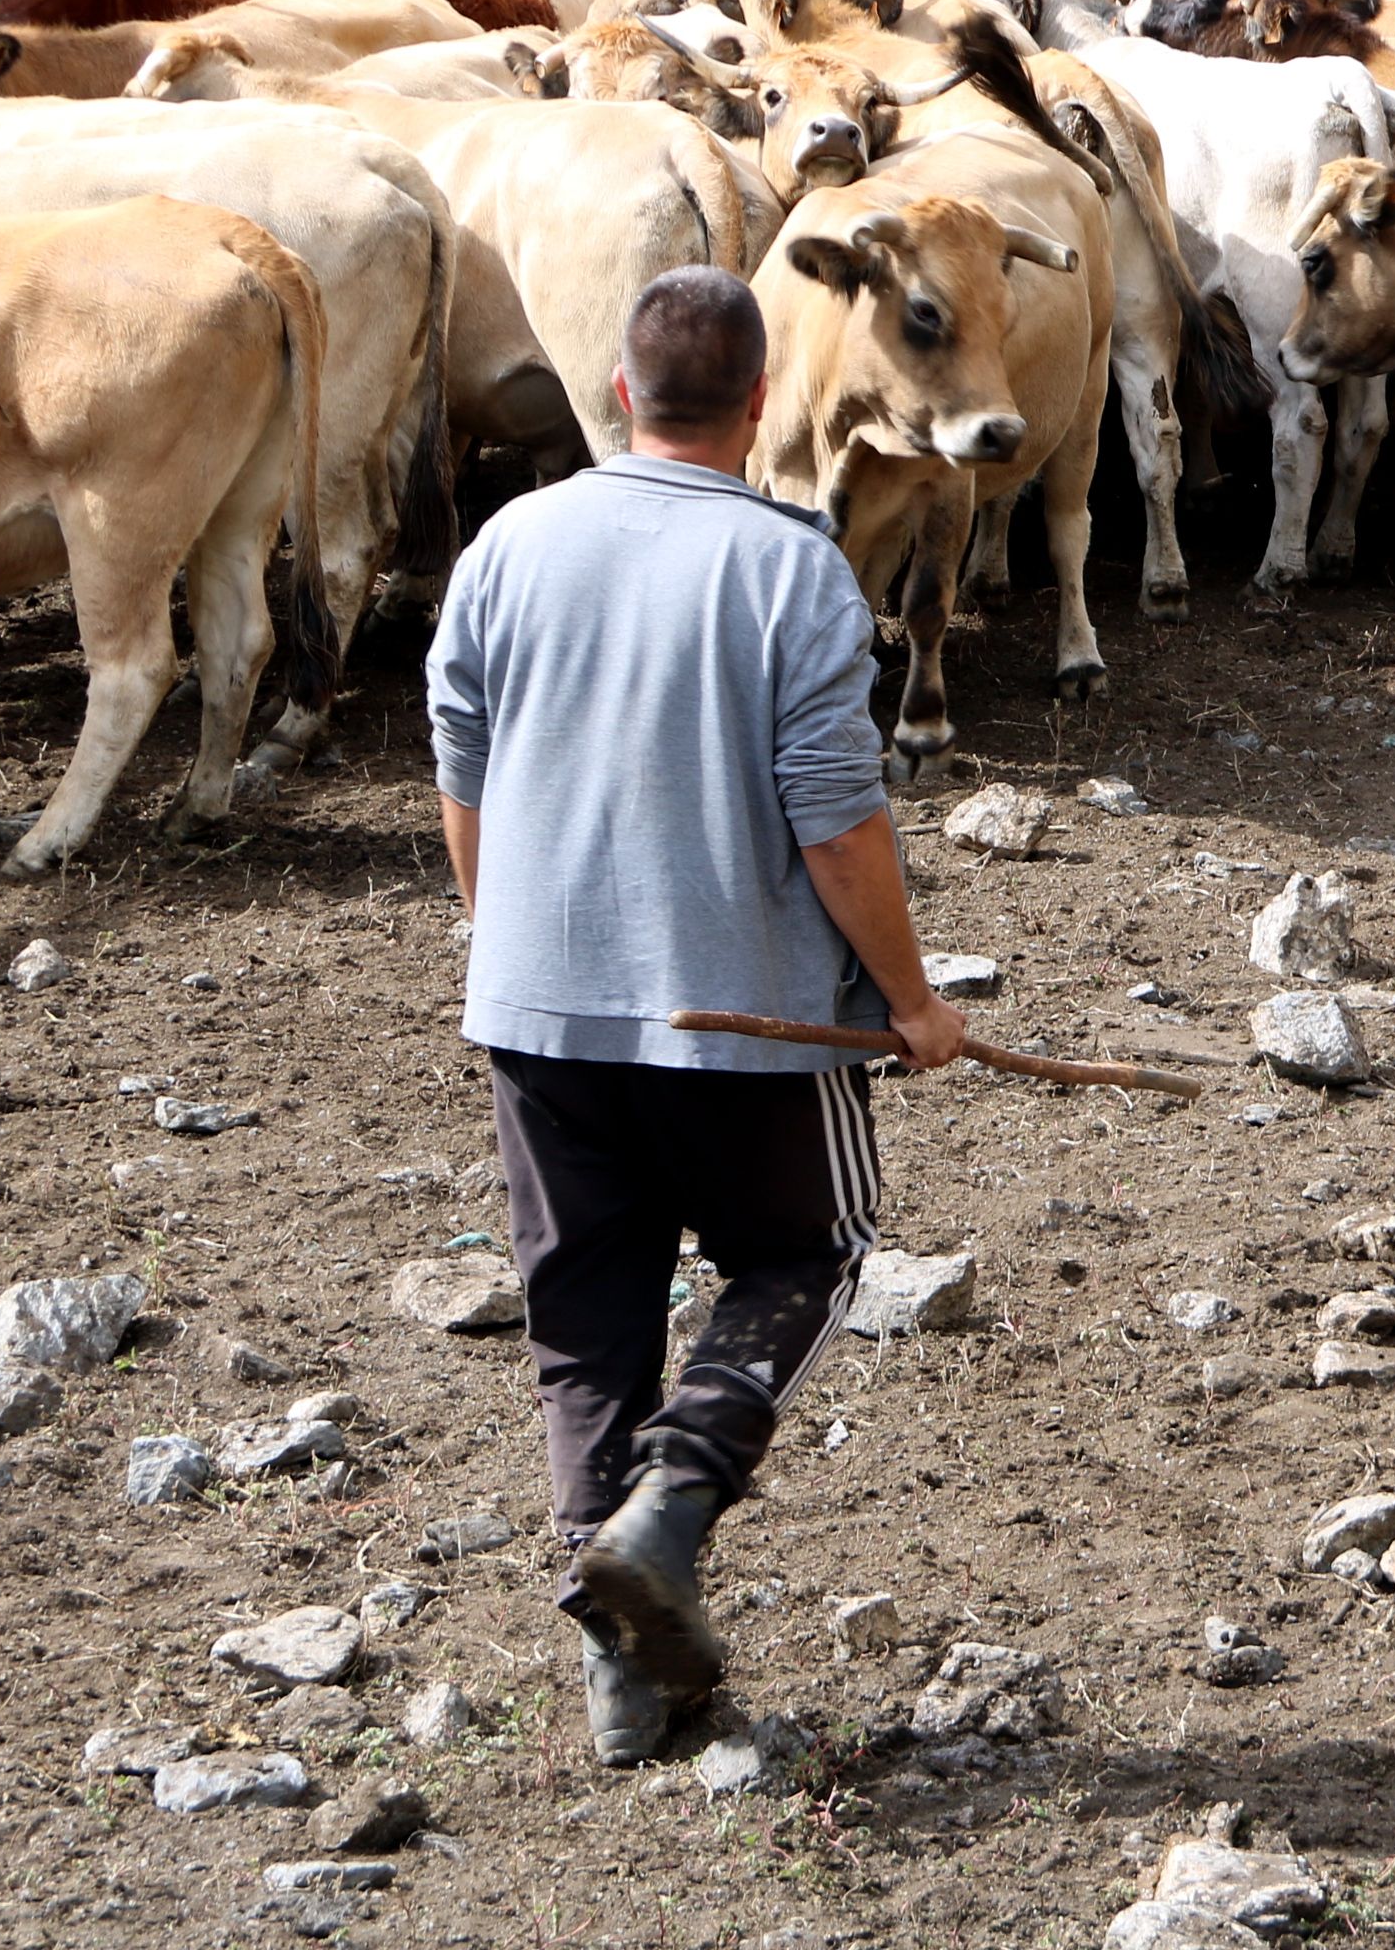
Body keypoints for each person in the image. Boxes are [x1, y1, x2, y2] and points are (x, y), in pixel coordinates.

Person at [424, 265, 967, 1764]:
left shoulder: (508, 545)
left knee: (586, 1322)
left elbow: (462, 774)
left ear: (617, 396)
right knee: (808, 1250)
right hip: (745, 1023)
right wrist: (913, 1000)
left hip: (536, 1009)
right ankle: (671, 1506)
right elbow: (836, 820)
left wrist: (513, 947)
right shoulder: (793, 570)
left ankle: (626, 1670)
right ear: (760, 405)